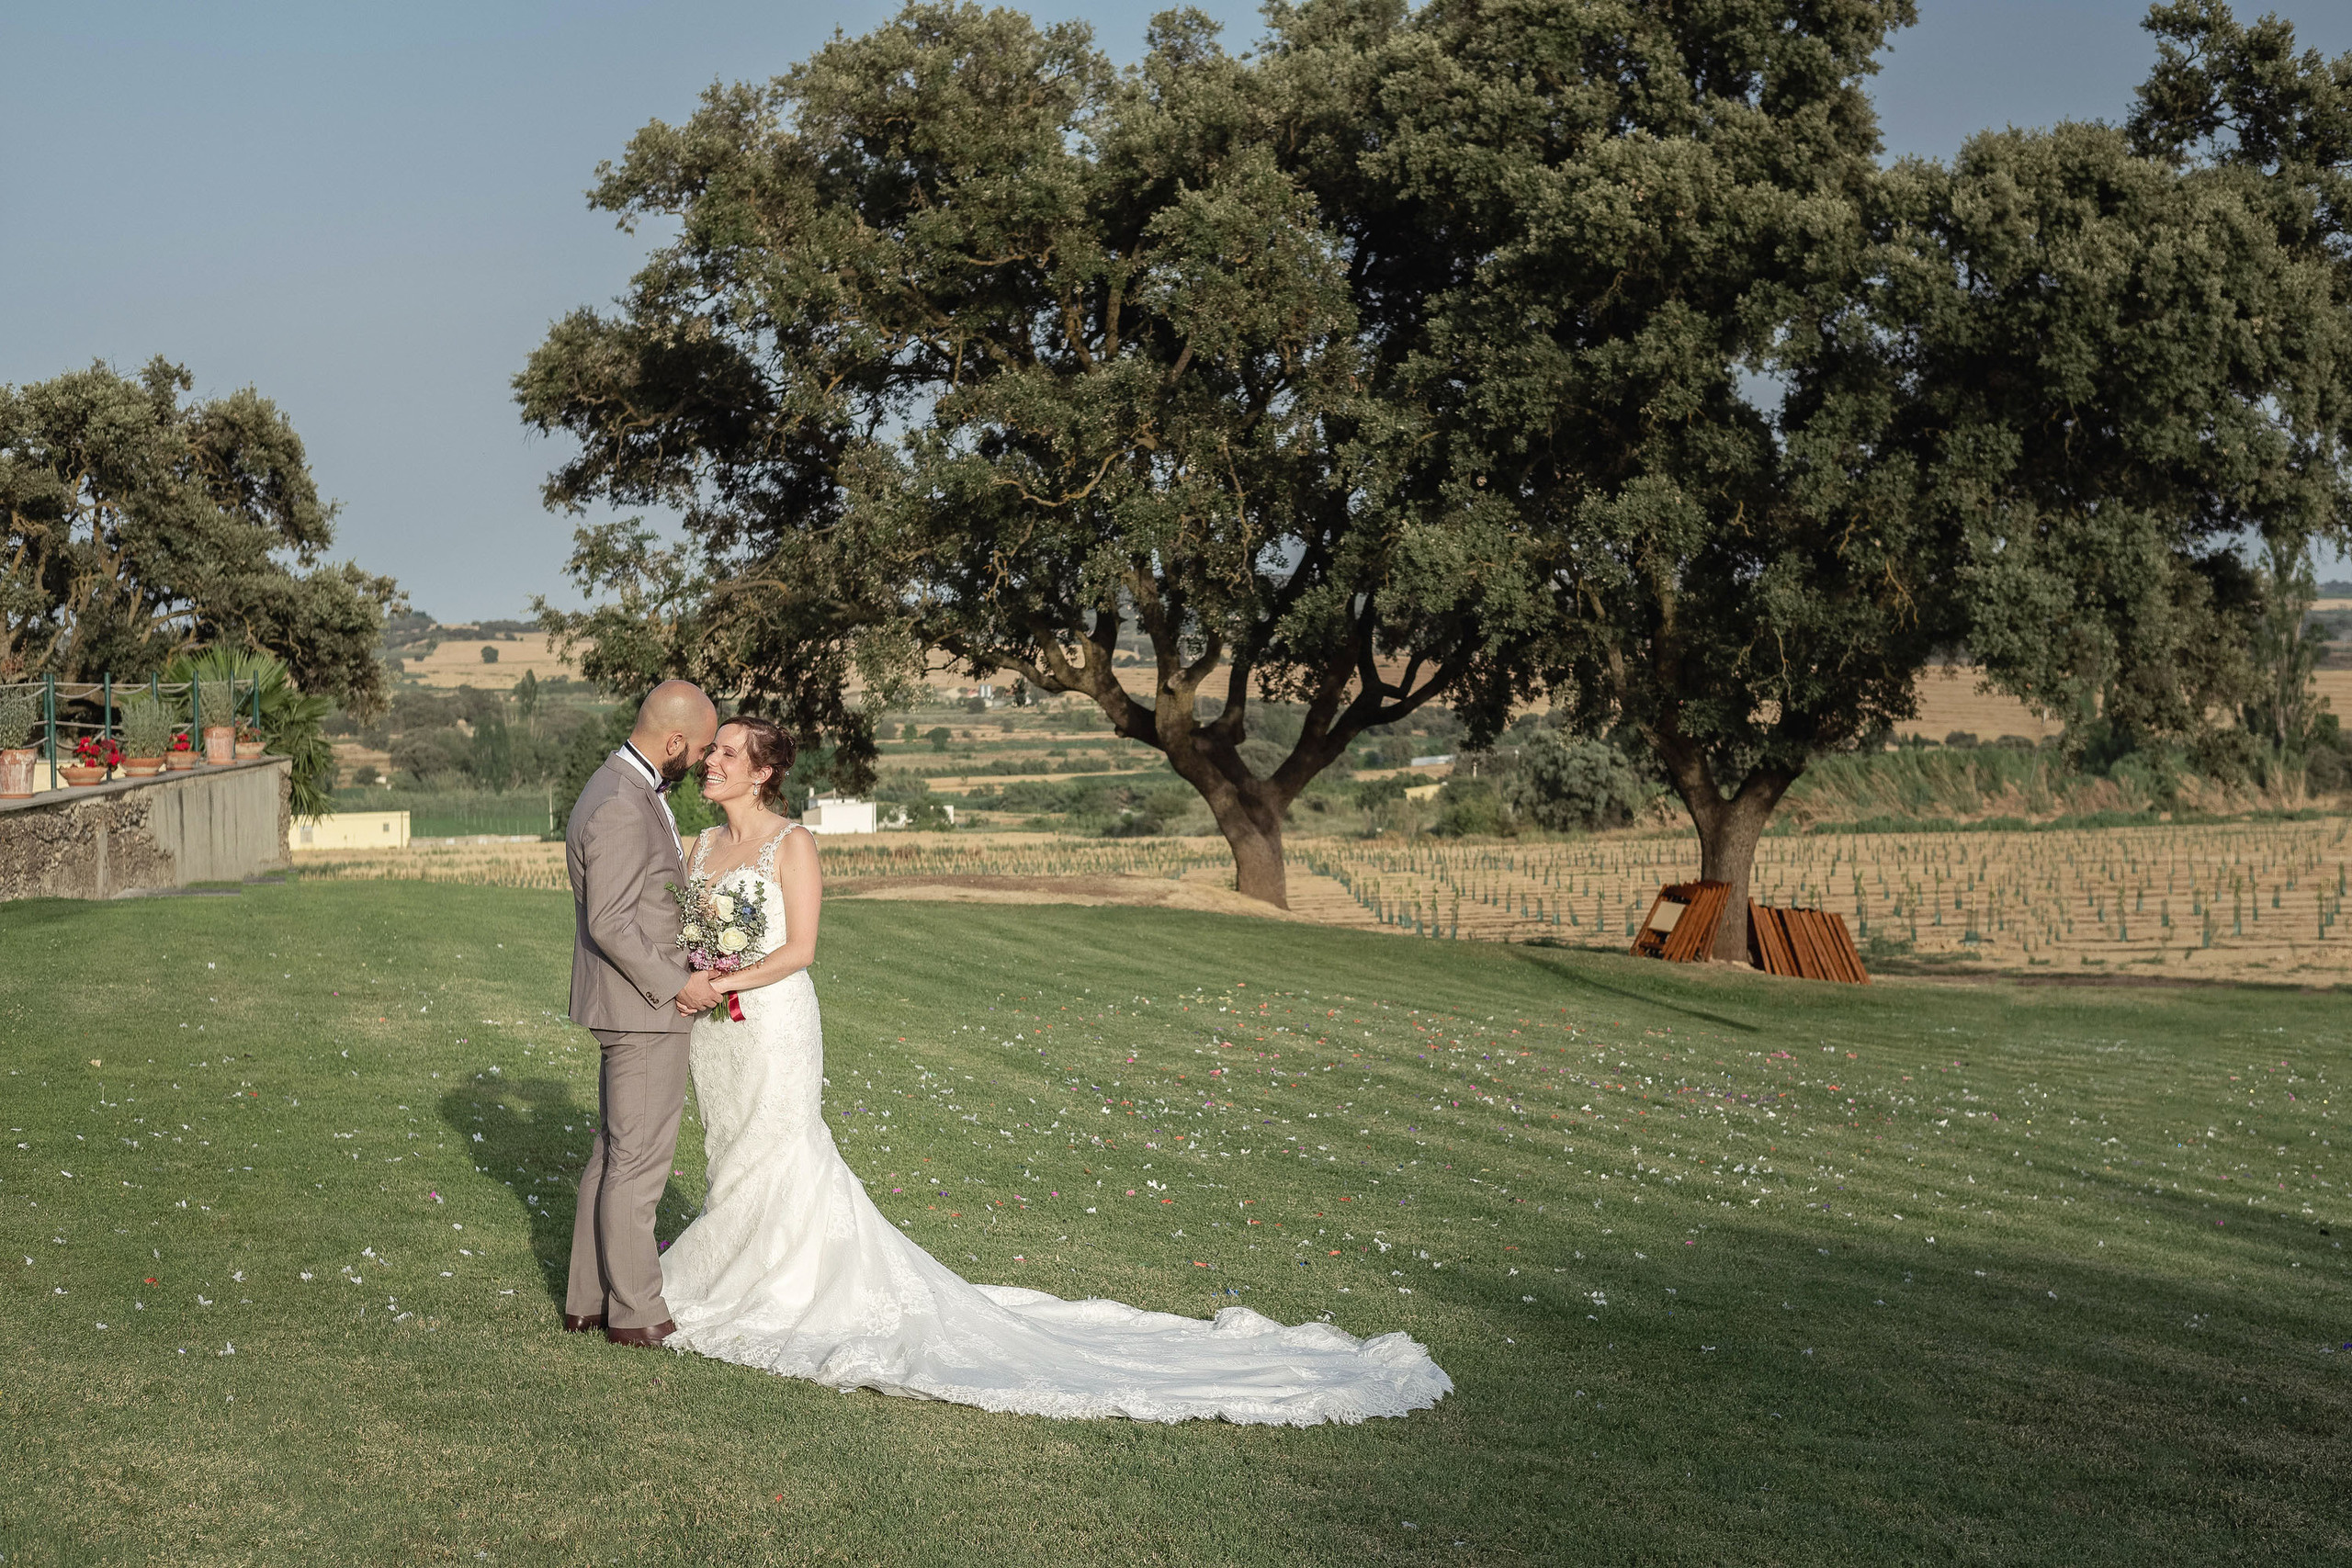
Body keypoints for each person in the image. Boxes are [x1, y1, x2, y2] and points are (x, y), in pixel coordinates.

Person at [655, 713, 1453, 1424]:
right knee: (731, 1148)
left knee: (783, 1147)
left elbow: (801, 949)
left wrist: (721, 980)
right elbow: (689, 929)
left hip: (771, 1022)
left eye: (727, 751)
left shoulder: (792, 842)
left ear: (763, 770)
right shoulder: (700, 846)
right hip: (715, 1033)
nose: (711, 760)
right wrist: (696, 975)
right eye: (712, 750)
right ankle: (742, 1266)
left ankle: (776, 1285)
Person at [560, 680, 719, 1347]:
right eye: (701, 749)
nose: (702, 762)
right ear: (674, 741)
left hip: (626, 1004)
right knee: (639, 1162)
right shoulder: (623, 802)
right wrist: (678, 984)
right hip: (642, 1009)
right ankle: (635, 1312)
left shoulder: (621, 786)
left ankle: (587, 1298)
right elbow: (612, 922)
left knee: (613, 1153)